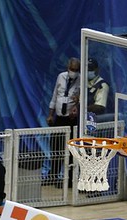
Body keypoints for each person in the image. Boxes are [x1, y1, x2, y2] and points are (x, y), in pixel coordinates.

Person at [46, 57, 80, 186]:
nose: (73, 72)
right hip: (59, 118)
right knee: (55, 147)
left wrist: (77, 105)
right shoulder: (61, 77)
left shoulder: (81, 80)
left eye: (76, 70)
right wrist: (50, 114)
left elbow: (83, 99)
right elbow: (55, 95)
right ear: (68, 68)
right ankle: (53, 176)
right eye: (72, 69)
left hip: (71, 120)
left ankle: (70, 179)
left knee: (71, 150)